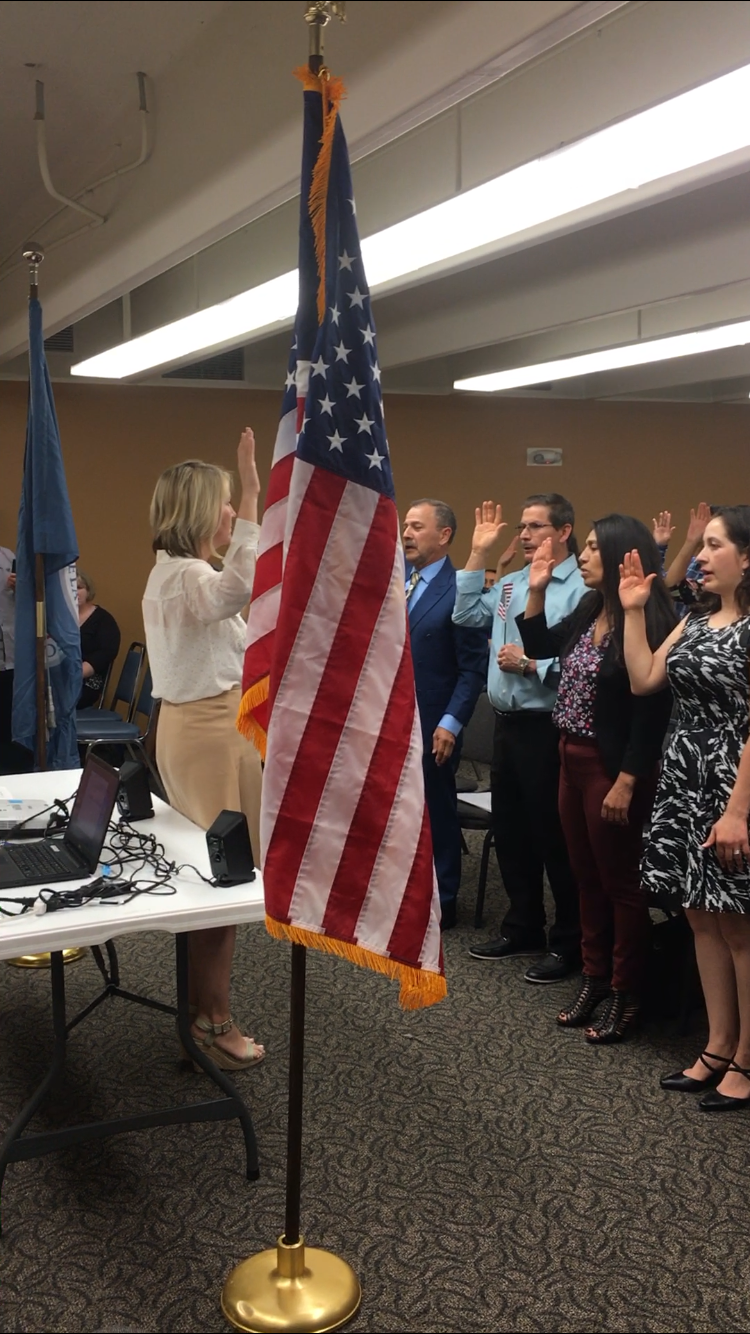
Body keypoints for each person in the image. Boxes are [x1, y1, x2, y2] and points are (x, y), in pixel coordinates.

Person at [519, 516, 676, 1042]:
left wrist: (628, 779)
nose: (582, 556)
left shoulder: (648, 618)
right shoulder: (592, 607)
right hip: (569, 757)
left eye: (591, 548)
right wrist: (536, 592)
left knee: (621, 884)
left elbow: (650, 714)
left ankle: (628, 990)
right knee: (585, 876)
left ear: (618, 555)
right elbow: (540, 644)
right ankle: (595, 978)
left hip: (611, 768)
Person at [142, 428, 265, 1070]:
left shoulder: (173, 573)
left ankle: (202, 1012)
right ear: (197, 510)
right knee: (224, 882)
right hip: (210, 733)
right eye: (224, 503)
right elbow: (237, 590)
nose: (232, 512)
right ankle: (215, 1021)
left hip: (200, 729)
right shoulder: (191, 574)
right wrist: (254, 491)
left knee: (213, 878)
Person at [620, 505, 750, 1109]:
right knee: (699, 916)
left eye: (714, 545)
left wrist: (738, 812)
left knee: (738, 925)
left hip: (734, 786)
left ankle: (747, 1057)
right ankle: (717, 1046)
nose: (700, 556)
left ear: (747, 558)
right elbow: (644, 678)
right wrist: (633, 611)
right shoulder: (697, 618)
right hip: (683, 781)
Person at [454, 493, 585, 982]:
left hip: (548, 727)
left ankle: (569, 941)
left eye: (536, 526)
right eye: (522, 527)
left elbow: (585, 665)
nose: (525, 535)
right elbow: (467, 615)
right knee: (512, 834)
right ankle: (523, 926)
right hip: (507, 725)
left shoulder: (582, 589)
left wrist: (532, 665)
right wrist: (477, 553)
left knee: (555, 838)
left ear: (564, 531)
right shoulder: (512, 583)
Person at [403, 499, 488, 930]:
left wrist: (451, 723)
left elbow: (472, 670)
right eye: (405, 525)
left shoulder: (460, 590)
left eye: (417, 526)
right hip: (390, 722)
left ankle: (443, 900)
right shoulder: (394, 581)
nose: (406, 533)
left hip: (434, 724)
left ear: (444, 535)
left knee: (434, 813)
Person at [76, 570, 121, 709]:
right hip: (57, 679)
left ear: (88, 591)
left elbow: (106, 653)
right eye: (70, 588)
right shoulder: (59, 618)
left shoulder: (103, 620)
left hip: (86, 682)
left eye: (79, 588)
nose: (75, 592)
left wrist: (75, 674)